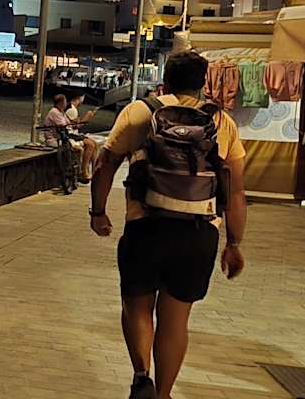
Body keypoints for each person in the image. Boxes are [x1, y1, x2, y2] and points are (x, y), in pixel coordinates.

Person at [89, 52, 248, 399]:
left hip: (146, 225)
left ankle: (141, 376)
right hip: (199, 230)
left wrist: (97, 212)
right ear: (203, 82)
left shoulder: (140, 112)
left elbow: (105, 164)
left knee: (137, 306)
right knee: (176, 320)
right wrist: (234, 243)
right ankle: (163, 394)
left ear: (166, 77)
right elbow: (236, 191)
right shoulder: (221, 122)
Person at [44, 94, 98, 183]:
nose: (66, 104)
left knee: (91, 144)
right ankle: (82, 172)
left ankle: (86, 171)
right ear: (61, 103)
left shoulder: (61, 112)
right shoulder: (55, 112)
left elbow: (71, 125)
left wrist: (77, 122)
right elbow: (65, 126)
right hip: (55, 139)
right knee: (84, 147)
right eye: (65, 102)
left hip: (64, 136)